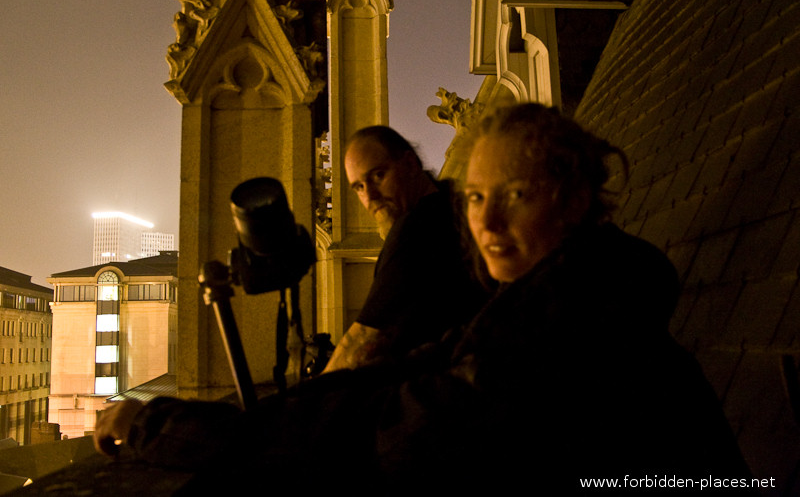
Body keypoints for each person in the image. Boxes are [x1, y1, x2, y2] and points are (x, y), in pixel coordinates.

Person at [94, 104, 750, 494]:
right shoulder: (561, 293)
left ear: (575, 198)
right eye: (476, 197)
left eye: (514, 195)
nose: (486, 226)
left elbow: (388, 422)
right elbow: (416, 367)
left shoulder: (569, 323)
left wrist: (164, 426)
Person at [322, 125, 486, 372]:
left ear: (410, 164)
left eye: (378, 176)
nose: (370, 197)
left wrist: (305, 403)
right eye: (359, 187)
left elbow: (363, 342)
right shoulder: (451, 204)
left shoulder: (417, 226)